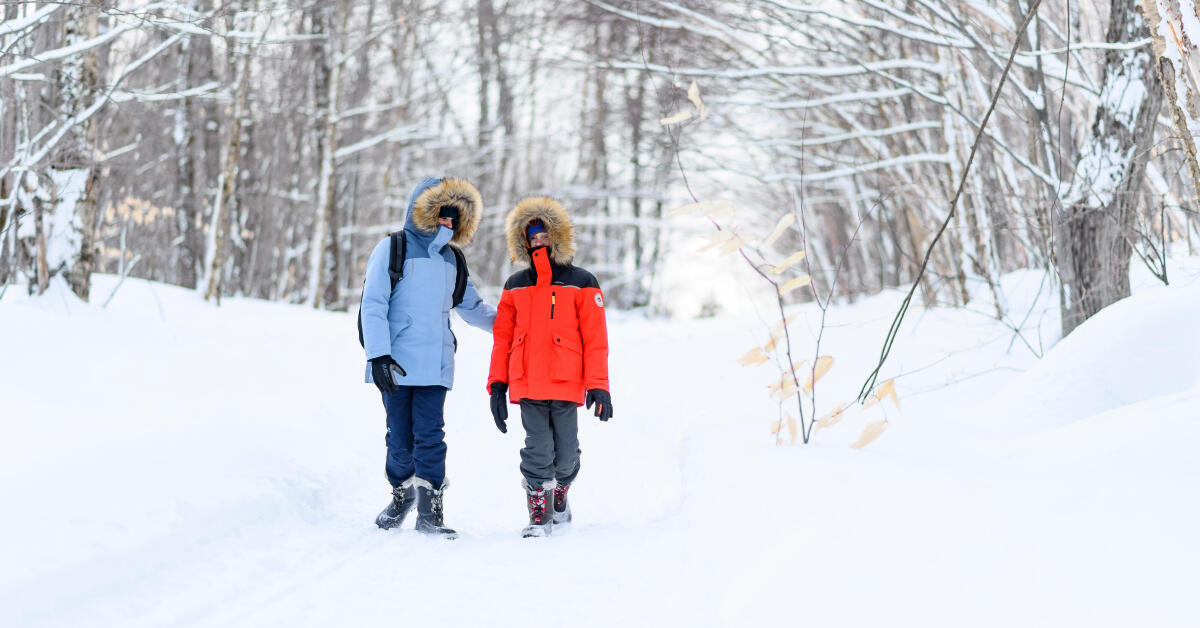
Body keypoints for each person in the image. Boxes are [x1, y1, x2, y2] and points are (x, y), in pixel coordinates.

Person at [359, 176, 496, 538]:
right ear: (424, 212)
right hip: (395, 365)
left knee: (431, 437)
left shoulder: (454, 260)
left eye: (454, 219)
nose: (447, 224)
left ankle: (429, 512)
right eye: (441, 216)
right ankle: (402, 493)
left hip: (435, 365)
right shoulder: (393, 248)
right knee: (400, 440)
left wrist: (515, 326)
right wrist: (378, 356)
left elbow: (473, 309)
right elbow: (373, 305)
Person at [486, 197, 612, 538]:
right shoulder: (515, 285)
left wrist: (599, 384)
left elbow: (595, 338)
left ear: (556, 238)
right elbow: (503, 339)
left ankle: (560, 492)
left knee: (566, 455)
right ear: (524, 243)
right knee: (537, 449)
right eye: (532, 238)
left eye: (544, 236)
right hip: (527, 382)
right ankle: (537, 512)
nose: (539, 242)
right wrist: (497, 384)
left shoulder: (582, 282)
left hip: (566, 380)